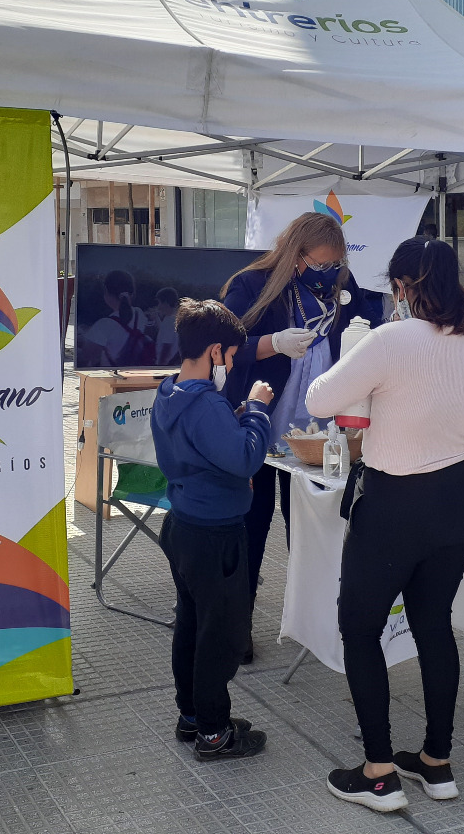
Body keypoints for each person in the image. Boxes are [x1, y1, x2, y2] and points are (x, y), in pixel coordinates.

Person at [306, 237, 464, 812]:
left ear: (403, 286)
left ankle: (379, 772)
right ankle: (437, 764)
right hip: (460, 490)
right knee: (433, 621)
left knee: (360, 627)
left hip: (396, 498)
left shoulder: (389, 340)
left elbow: (320, 399)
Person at [221, 212, 379, 659]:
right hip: (256, 424)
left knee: (310, 530)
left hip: (316, 434)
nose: (328, 274)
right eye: (320, 265)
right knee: (249, 528)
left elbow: (377, 339)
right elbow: (224, 346)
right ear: (296, 256)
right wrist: (273, 343)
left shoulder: (344, 291)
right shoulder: (253, 285)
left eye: (336, 266)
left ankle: (315, 624)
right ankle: (238, 630)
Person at [150, 299, 274, 761]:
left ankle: (193, 715)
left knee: (191, 623)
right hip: (216, 533)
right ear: (215, 351)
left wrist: (235, 419)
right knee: (220, 636)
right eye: (231, 357)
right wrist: (258, 412)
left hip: (183, 523)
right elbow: (245, 459)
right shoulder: (206, 405)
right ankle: (215, 732)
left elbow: (207, 446)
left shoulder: (170, 392)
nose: (232, 366)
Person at [79, 269, 153, 367]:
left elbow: (87, 356)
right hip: (138, 370)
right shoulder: (139, 313)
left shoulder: (104, 324)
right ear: (132, 293)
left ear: (106, 290)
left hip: (111, 375)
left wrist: (83, 339)